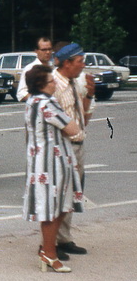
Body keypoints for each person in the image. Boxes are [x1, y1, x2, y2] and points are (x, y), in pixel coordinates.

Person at [22, 64, 83, 273]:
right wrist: (68, 129)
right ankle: (49, 253)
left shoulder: (32, 101)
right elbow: (74, 129)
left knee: (53, 208)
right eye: (51, 81)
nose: (55, 83)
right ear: (42, 84)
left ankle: (48, 251)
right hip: (53, 163)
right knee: (54, 210)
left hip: (41, 160)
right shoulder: (47, 104)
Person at [52, 43, 95, 257]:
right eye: (80, 61)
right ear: (67, 63)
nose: (83, 66)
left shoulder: (73, 83)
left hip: (77, 145)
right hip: (62, 148)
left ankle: (63, 238)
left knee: (71, 196)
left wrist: (89, 95)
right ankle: (49, 244)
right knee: (59, 196)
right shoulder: (54, 85)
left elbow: (83, 115)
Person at [16, 37, 54, 102]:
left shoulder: (54, 67)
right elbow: (21, 94)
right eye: (44, 50)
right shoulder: (30, 69)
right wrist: (40, 101)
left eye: (49, 49)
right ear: (36, 51)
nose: (47, 52)